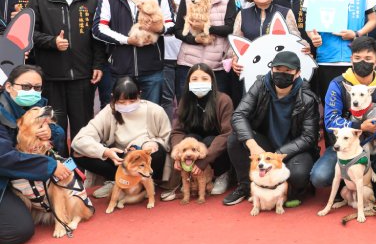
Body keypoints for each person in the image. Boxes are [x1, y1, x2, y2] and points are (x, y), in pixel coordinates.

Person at [222, 51, 319, 206]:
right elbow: (239, 115)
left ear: (297, 73)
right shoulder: (260, 85)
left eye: (288, 71)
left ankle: (290, 191)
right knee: (235, 139)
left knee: (298, 175)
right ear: (271, 69)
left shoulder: (306, 97)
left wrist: (277, 156)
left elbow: (309, 137)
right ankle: (246, 186)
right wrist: (252, 144)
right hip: (265, 144)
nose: (282, 74)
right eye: (278, 69)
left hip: (294, 149)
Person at [29, 0, 106, 140]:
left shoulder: (90, 0)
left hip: (82, 74)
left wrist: (98, 64)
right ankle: (59, 165)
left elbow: (97, 36)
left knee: (84, 126)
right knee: (54, 127)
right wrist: (52, 42)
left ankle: (81, 167)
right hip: (51, 75)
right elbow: (30, 33)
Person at [0, 65, 74, 244]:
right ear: (9, 87)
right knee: (18, 231)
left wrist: (51, 133)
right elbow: (3, 158)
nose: (32, 92)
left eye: (37, 88)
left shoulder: (38, 106)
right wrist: (49, 166)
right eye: (26, 87)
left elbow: (59, 140)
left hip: (22, 175)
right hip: (4, 180)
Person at [309, 36, 376, 189]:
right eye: (357, 57)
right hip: (344, 147)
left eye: (368, 58)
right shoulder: (337, 84)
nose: (362, 62)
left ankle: (367, 179)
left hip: (375, 148)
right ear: (351, 60)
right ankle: (350, 181)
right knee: (319, 177)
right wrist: (360, 126)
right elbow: (330, 121)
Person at [92, 0, 175, 104]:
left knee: (151, 115)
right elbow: (98, 29)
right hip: (120, 69)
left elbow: (170, 24)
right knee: (122, 116)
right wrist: (127, 40)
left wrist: (159, 29)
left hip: (152, 69)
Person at [71, 76, 171, 199]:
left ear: (139, 95)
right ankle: (117, 180)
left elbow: (167, 139)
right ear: (113, 97)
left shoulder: (155, 110)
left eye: (132, 101)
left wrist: (150, 143)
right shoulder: (109, 111)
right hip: (120, 159)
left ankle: (141, 182)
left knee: (157, 152)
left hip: (145, 158)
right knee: (78, 153)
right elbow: (79, 141)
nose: (127, 105)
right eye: (122, 102)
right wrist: (106, 152)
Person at [162, 63, 234, 200]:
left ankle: (221, 174)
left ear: (212, 81)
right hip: (195, 143)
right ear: (188, 82)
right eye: (194, 79)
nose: (199, 82)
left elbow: (227, 133)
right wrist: (177, 153)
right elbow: (177, 131)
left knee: (210, 141)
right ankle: (189, 177)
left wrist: (204, 160)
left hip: (216, 144)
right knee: (189, 138)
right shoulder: (185, 101)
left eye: (204, 79)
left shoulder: (223, 100)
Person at [175, 0, 237, 99]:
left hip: (217, 67)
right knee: (187, 110)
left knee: (216, 110)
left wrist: (206, 27)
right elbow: (178, 30)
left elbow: (230, 28)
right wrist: (195, 39)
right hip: (188, 64)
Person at [232, 0, 303, 86]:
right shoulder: (242, 14)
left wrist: (306, 48)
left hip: (280, 71)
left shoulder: (285, 12)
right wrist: (235, 59)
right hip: (252, 70)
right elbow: (236, 42)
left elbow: (296, 39)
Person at [155, 0, 187, 119]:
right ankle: (167, 133)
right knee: (166, 99)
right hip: (165, 57)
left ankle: (184, 132)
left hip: (186, 57)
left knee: (185, 99)